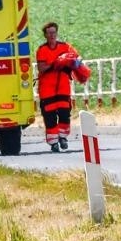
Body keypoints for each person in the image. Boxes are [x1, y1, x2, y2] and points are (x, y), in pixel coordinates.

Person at [35, 21, 81, 152]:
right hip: (47, 88)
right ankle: (53, 142)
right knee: (49, 116)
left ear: (56, 33)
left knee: (64, 113)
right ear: (45, 35)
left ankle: (63, 137)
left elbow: (76, 60)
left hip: (63, 86)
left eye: (54, 32)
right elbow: (41, 68)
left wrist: (71, 62)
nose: (52, 35)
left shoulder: (65, 47)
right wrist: (56, 63)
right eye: (49, 33)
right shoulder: (42, 50)